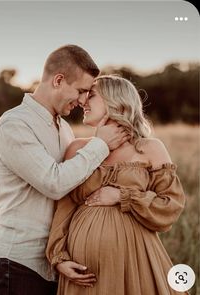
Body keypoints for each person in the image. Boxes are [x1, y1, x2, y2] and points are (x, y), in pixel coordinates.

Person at [0, 46, 129, 295]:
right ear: (59, 80)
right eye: (81, 91)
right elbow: (53, 183)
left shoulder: (64, 129)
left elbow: (72, 191)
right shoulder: (15, 124)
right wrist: (101, 145)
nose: (84, 100)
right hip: (19, 262)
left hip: (55, 263)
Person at [46, 74, 188, 295]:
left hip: (136, 261)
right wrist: (59, 257)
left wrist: (122, 196)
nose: (82, 101)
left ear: (115, 100)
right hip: (85, 273)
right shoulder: (77, 149)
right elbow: (63, 210)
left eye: (91, 95)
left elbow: (170, 205)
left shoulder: (149, 148)